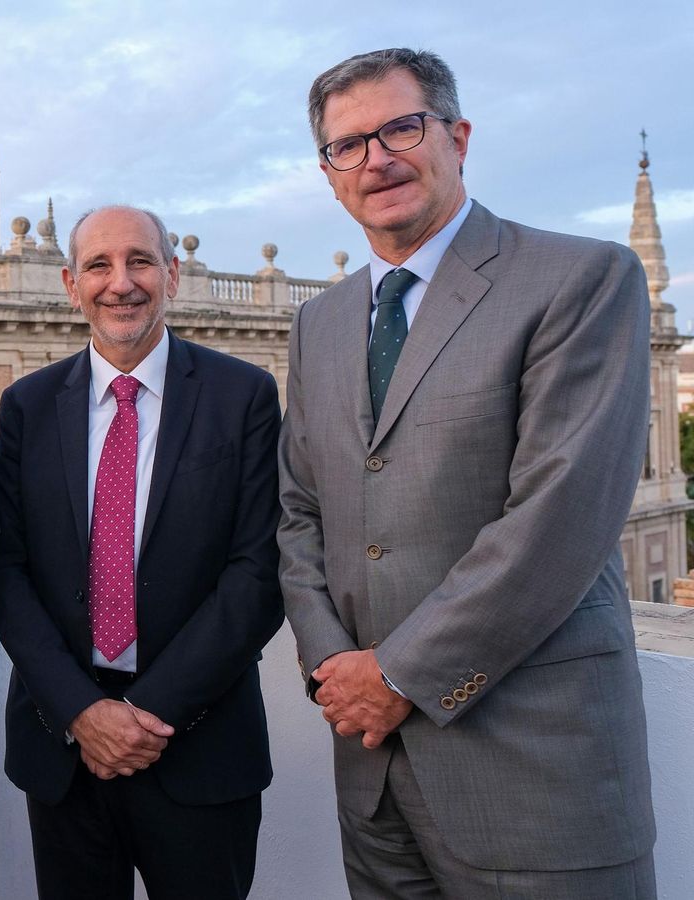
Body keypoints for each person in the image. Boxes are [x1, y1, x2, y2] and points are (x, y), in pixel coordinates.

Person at [280, 48, 657, 897]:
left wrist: (395, 676)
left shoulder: (579, 278)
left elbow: (558, 519)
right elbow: (299, 512)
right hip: (372, 775)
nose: (376, 159)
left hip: (533, 780)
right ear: (330, 173)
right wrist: (331, 667)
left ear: (458, 136)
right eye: (348, 145)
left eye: (401, 128)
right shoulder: (323, 324)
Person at [0, 205, 283, 898]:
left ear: (172, 274)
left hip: (199, 743)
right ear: (70, 284)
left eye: (140, 261)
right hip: (63, 748)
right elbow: (6, 568)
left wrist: (147, 712)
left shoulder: (243, 396)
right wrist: (83, 714)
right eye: (99, 265)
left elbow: (259, 571)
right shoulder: (28, 405)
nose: (121, 283)